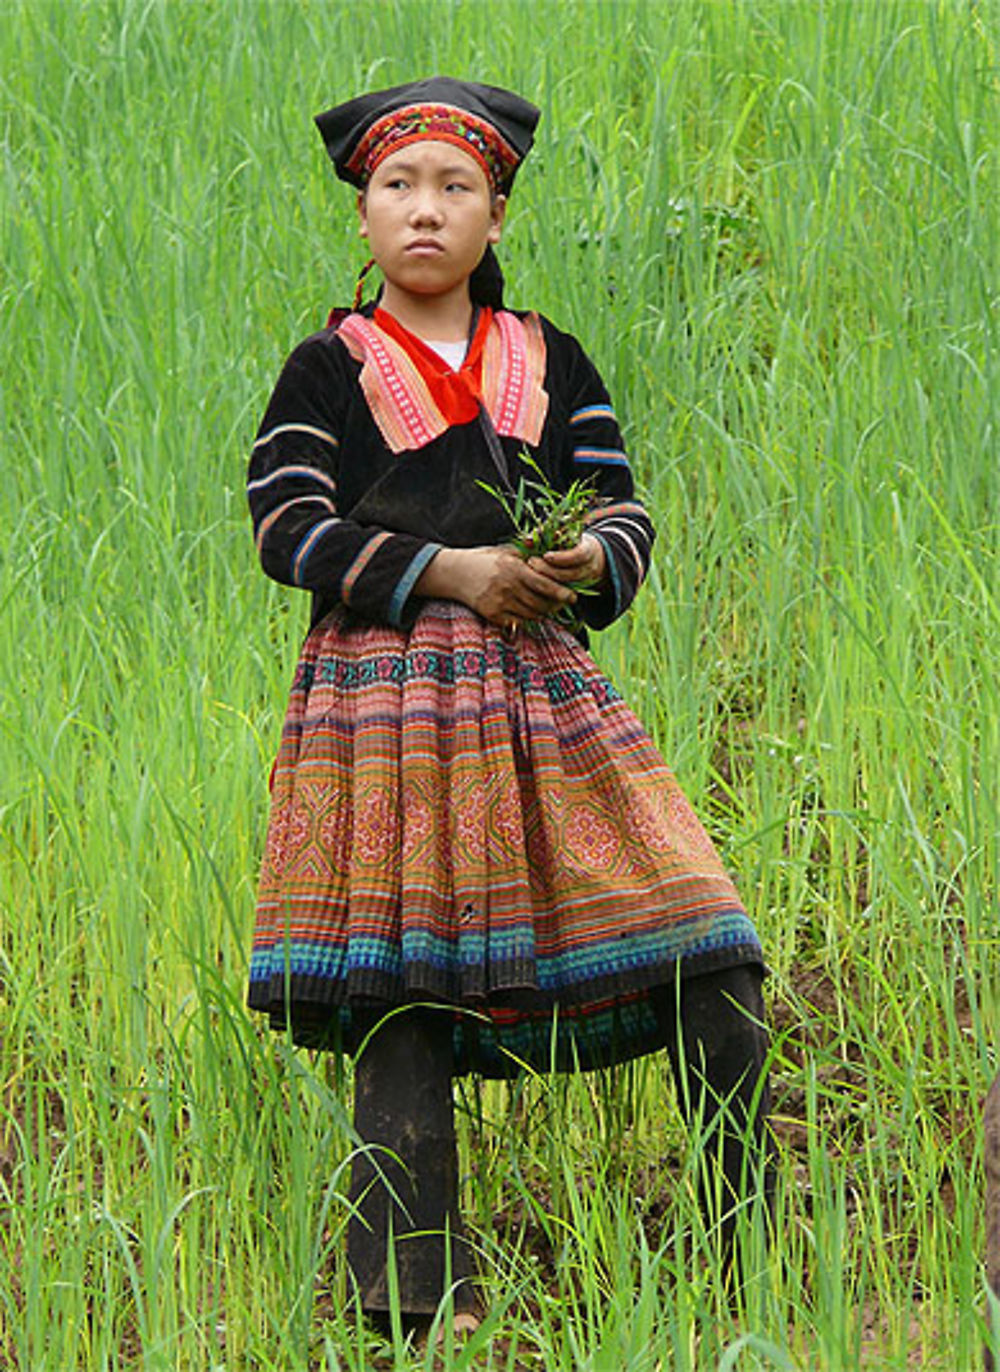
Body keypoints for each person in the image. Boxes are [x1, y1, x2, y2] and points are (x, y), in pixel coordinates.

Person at [245, 75, 771, 1340]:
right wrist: (446, 572)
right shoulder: (327, 368)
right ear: (364, 213)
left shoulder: (554, 359)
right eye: (397, 186)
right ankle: (408, 1309)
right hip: (386, 714)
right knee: (403, 986)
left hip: (549, 696)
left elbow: (621, 500)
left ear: (496, 211)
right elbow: (285, 528)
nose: (424, 211)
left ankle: (724, 1272)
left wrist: (591, 558)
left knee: (715, 951)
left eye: (454, 187)